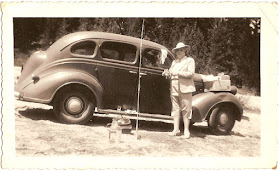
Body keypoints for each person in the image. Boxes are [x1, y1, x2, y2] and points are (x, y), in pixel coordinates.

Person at [162, 42, 196, 139]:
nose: (179, 52)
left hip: (185, 88)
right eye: (177, 50)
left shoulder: (190, 61)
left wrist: (177, 73)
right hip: (174, 87)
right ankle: (176, 129)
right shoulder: (174, 62)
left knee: (186, 109)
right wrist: (167, 72)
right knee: (175, 108)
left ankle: (186, 130)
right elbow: (171, 72)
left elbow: (191, 74)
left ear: (185, 51)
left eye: (181, 50)